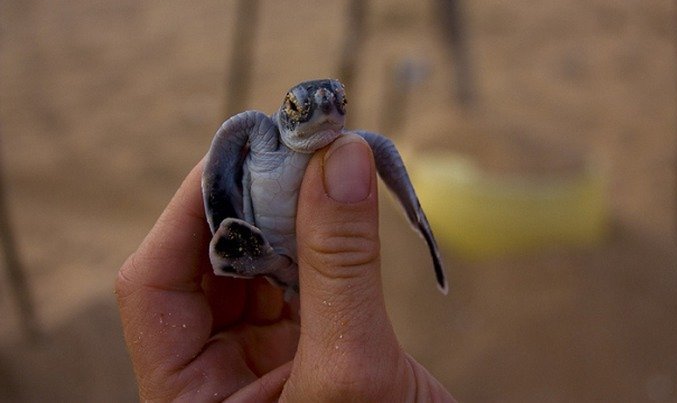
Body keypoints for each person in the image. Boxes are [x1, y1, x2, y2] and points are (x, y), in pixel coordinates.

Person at [116, 133, 456, 401]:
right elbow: (218, 175)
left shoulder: (350, 144)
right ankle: (254, 258)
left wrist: (423, 229)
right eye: (301, 106)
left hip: (290, 273)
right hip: (266, 261)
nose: (323, 111)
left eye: (337, 101)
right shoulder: (262, 132)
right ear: (286, 112)